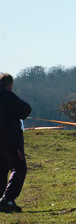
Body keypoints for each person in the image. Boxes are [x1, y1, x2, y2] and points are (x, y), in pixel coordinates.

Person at [0, 73, 32, 212]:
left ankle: (1, 199)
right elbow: (25, 109)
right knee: (19, 166)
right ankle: (8, 199)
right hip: (10, 139)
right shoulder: (8, 96)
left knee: (1, 169)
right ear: (10, 85)